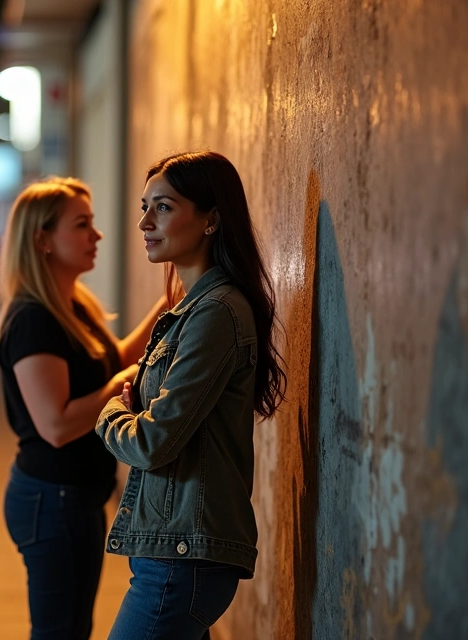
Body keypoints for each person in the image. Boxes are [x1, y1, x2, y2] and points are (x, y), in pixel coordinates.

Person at [97, 152, 286, 639]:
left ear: (211, 219)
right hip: (174, 551)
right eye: (145, 207)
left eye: (163, 207)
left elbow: (152, 442)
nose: (145, 222)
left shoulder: (216, 312)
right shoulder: (196, 307)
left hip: (182, 560)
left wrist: (111, 412)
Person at [0, 177, 168, 640]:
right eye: (81, 224)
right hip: (52, 498)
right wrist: (125, 380)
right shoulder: (34, 319)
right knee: (61, 632)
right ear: (43, 239)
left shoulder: (72, 304)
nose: (97, 234)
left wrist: (172, 301)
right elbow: (56, 425)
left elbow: (116, 360)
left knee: (70, 628)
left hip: (73, 496)